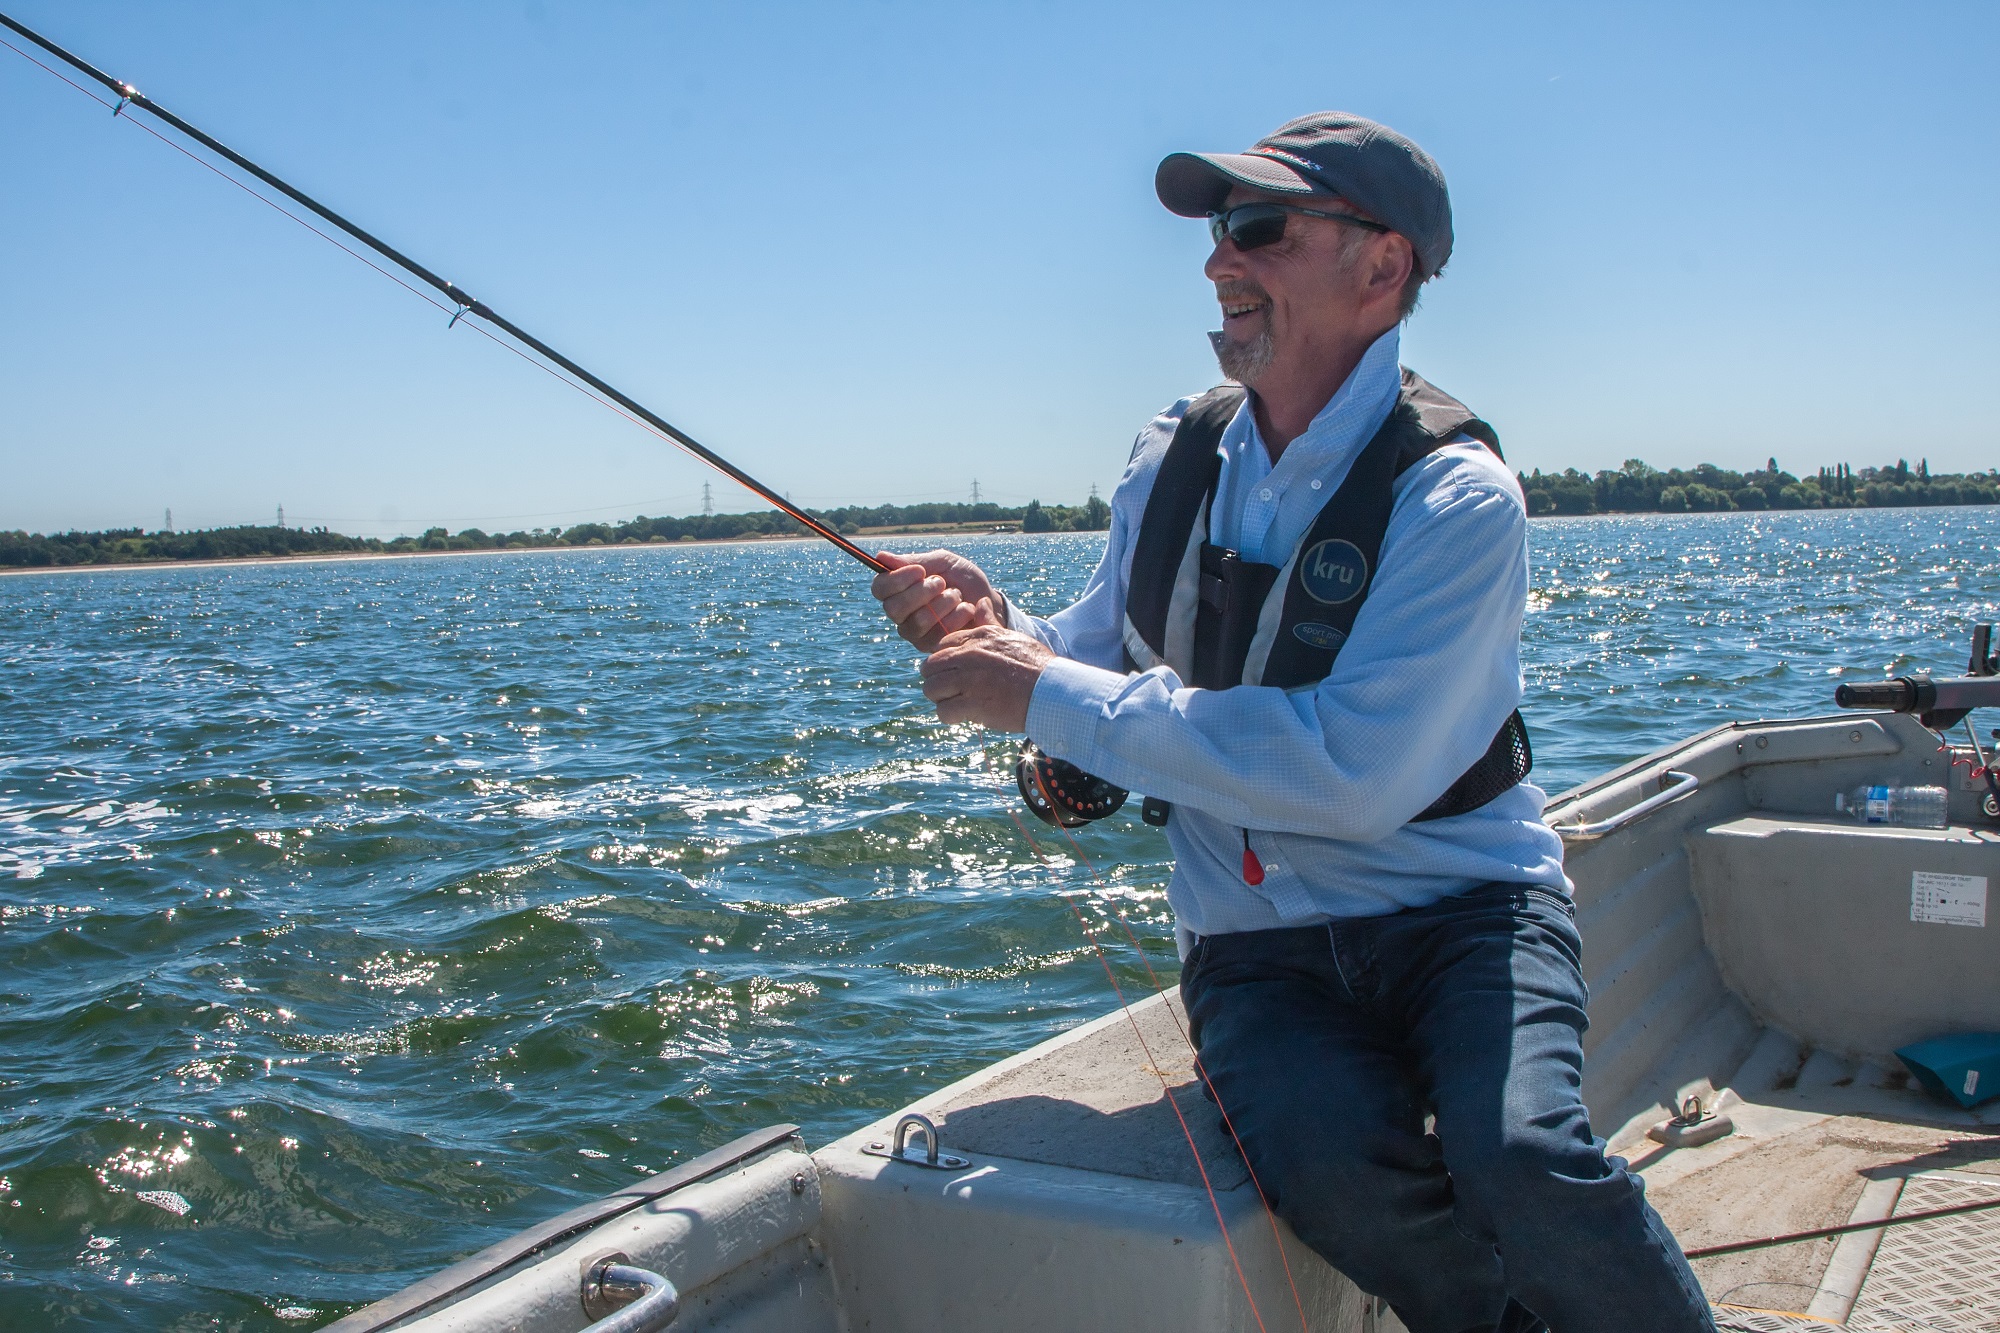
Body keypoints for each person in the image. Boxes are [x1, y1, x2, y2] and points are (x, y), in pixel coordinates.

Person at [871, 112, 1714, 1333]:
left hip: (1465, 913)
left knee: (1522, 1158)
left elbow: (1348, 774)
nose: (1220, 261)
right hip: (1251, 945)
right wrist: (992, 626)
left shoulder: (1457, 496)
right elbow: (1092, 648)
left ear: (1383, 268)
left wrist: (1038, 689)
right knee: (1331, 1174)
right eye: (1220, 232)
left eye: (1258, 229)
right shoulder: (1168, 454)